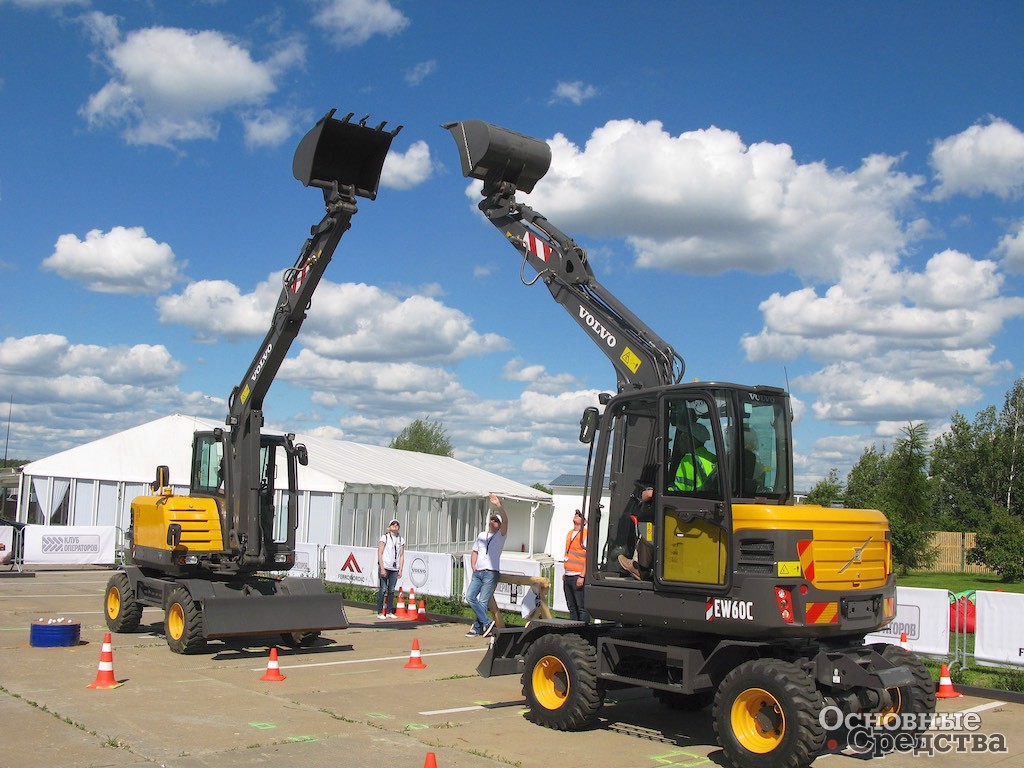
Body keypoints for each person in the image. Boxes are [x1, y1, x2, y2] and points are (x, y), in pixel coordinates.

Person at [465, 493, 508, 637]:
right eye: (492, 519)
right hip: (479, 571)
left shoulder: (500, 536)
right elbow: (475, 550)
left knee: (483, 601)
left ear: (500, 525)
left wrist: (498, 506)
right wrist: (473, 564)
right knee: (470, 597)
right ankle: (487, 622)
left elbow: (506, 521)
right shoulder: (482, 535)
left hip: (491, 571)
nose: (493, 522)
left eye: (496, 521)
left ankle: (476, 628)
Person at [671, 422, 716, 492]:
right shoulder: (713, 458)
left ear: (691, 440)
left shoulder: (689, 460)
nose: (679, 442)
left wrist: (652, 493)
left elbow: (677, 491)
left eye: (682, 438)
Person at [563, 509, 590, 622]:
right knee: (572, 607)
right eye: (576, 514)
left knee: (581, 608)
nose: (576, 516)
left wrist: (582, 576)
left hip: (577, 576)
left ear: (585, 521)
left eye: (579, 515)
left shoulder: (585, 535)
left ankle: (584, 632)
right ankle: (574, 631)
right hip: (568, 575)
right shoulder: (569, 533)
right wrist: (565, 573)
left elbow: (587, 557)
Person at [376, 518, 405, 619]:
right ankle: (380, 612)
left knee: (391, 590)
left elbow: (401, 555)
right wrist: (382, 567)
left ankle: (389, 611)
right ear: (389, 527)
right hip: (386, 566)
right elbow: (380, 552)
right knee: (383, 589)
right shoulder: (385, 538)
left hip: (394, 568)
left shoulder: (401, 539)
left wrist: (400, 569)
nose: (395, 526)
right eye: (393, 524)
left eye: (397, 524)